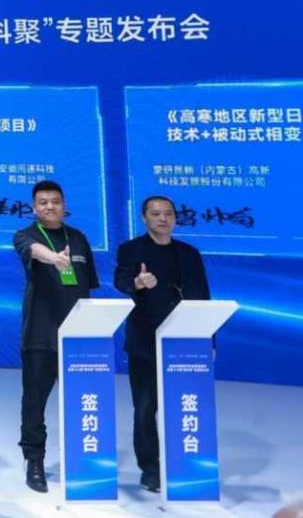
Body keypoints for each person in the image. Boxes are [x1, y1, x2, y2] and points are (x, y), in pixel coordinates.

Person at [114, 195, 210, 493]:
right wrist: (138, 283)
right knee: (145, 408)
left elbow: (202, 297)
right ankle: (151, 469)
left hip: (185, 342)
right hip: (145, 340)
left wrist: (209, 339)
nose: (162, 218)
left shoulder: (189, 253)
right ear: (144, 218)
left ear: (175, 219)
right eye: (155, 213)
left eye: (168, 213)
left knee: (186, 405)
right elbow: (121, 281)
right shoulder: (132, 249)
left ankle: (185, 464)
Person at [13, 180, 100, 493]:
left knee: (82, 401)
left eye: (55, 201)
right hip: (41, 334)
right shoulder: (26, 235)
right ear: (34, 207)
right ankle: (34, 461)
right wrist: (54, 257)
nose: (50, 206)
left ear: (64, 205)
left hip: (77, 336)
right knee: (35, 403)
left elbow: (87, 286)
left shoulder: (78, 238)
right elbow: (33, 251)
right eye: (43, 202)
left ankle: (81, 459)